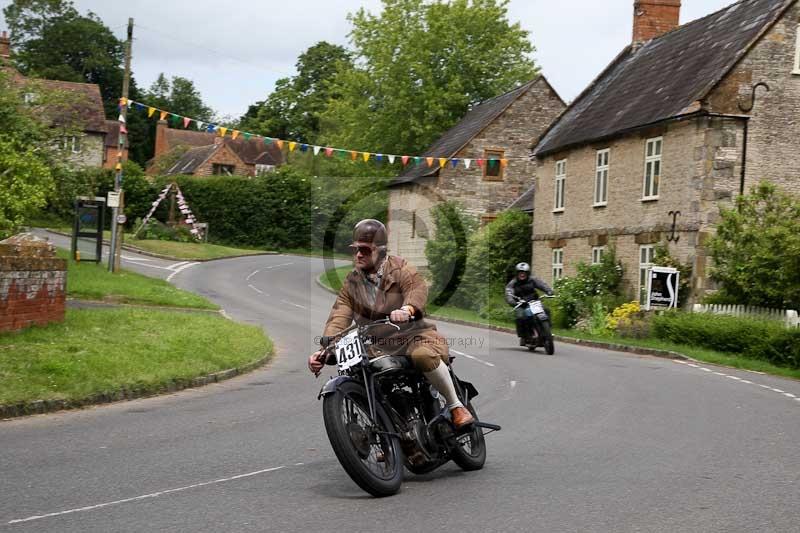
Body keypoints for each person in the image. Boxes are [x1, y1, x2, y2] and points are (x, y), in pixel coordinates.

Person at [308, 219, 474, 429]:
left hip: (413, 336)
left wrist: (407, 309)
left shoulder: (400, 268)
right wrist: (324, 350)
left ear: (380, 251)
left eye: (365, 250)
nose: (358, 255)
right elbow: (339, 317)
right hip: (377, 345)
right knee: (363, 374)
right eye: (356, 249)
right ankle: (393, 435)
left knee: (422, 356)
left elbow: (416, 288)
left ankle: (455, 406)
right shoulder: (352, 283)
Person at [505, 262, 553, 345]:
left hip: (534, 302)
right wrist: (513, 302)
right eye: (520, 272)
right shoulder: (512, 283)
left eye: (524, 272)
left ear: (527, 273)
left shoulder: (532, 280)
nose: (522, 274)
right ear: (517, 273)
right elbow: (509, 294)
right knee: (521, 317)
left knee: (546, 311)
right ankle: (525, 336)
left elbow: (542, 285)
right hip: (521, 304)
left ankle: (547, 332)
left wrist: (549, 291)